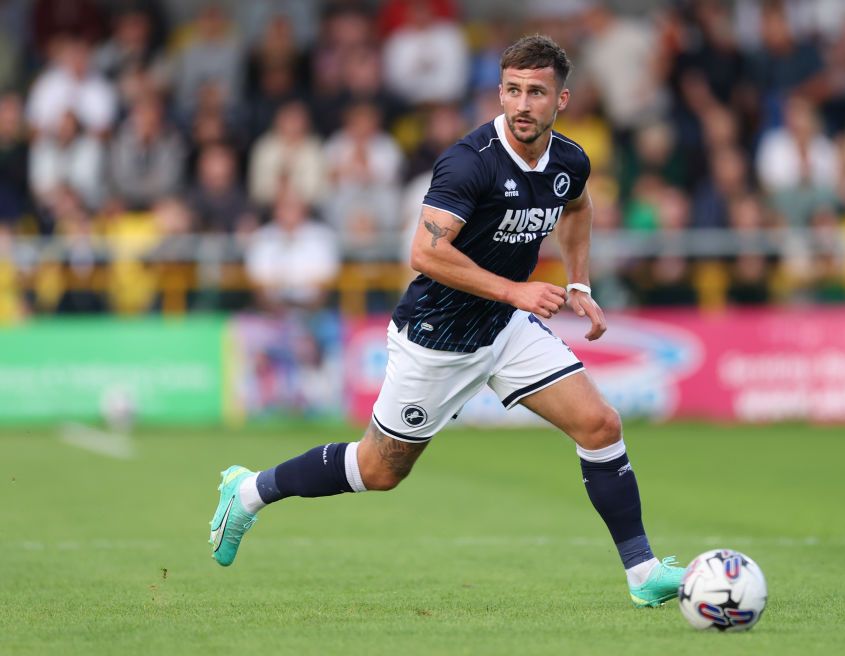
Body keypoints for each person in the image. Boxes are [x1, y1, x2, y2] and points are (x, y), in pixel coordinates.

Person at [208, 35, 685, 608]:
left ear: (562, 99)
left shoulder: (569, 160)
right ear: (499, 92)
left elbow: (577, 206)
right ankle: (250, 491)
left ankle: (643, 573)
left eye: (537, 92)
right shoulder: (470, 162)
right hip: (437, 337)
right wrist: (516, 289)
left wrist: (578, 282)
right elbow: (426, 253)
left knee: (601, 425)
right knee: (377, 470)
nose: (522, 104)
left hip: (505, 328)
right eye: (512, 90)